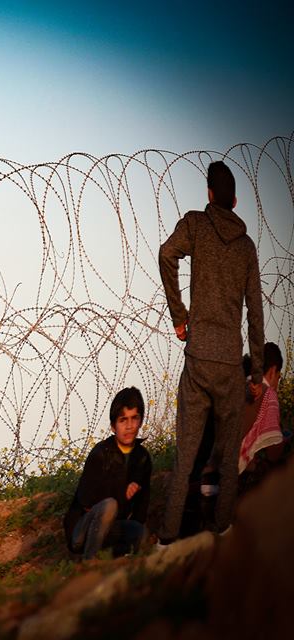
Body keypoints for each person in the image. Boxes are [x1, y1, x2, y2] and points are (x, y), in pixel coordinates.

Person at [157, 160, 265, 545]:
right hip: (230, 362)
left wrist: (179, 316)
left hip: (199, 356)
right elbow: (255, 309)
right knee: (229, 456)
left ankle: (167, 538)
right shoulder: (247, 247)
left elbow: (166, 254)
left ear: (209, 195)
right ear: (234, 200)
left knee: (186, 454)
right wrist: (255, 374)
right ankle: (221, 529)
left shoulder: (195, 225)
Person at [64, 387, 152, 560]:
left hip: (112, 527)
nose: (129, 426)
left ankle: (115, 560)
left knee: (140, 532)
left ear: (141, 420)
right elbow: (86, 502)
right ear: (113, 426)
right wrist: (122, 492)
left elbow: (141, 509)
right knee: (109, 506)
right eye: (123, 420)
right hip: (82, 530)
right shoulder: (101, 454)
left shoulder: (143, 459)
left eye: (134, 418)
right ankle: (89, 563)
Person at [238, 342, 285, 492]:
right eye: (278, 377)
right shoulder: (269, 395)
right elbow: (273, 453)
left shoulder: (241, 384)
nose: (277, 382)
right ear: (272, 371)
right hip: (236, 473)